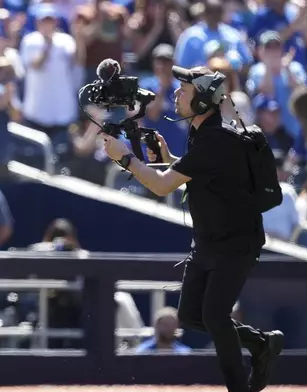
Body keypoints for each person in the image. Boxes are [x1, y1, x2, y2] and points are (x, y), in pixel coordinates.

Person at [101, 65, 283, 392]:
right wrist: (167, 156)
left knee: (213, 315)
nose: (176, 93)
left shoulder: (214, 138)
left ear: (202, 102)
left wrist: (126, 158)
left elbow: (161, 186)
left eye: (183, 91)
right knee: (191, 316)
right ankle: (259, 345)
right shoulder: (204, 132)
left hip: (235, 243)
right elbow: (200, 178)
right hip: (210, 241)